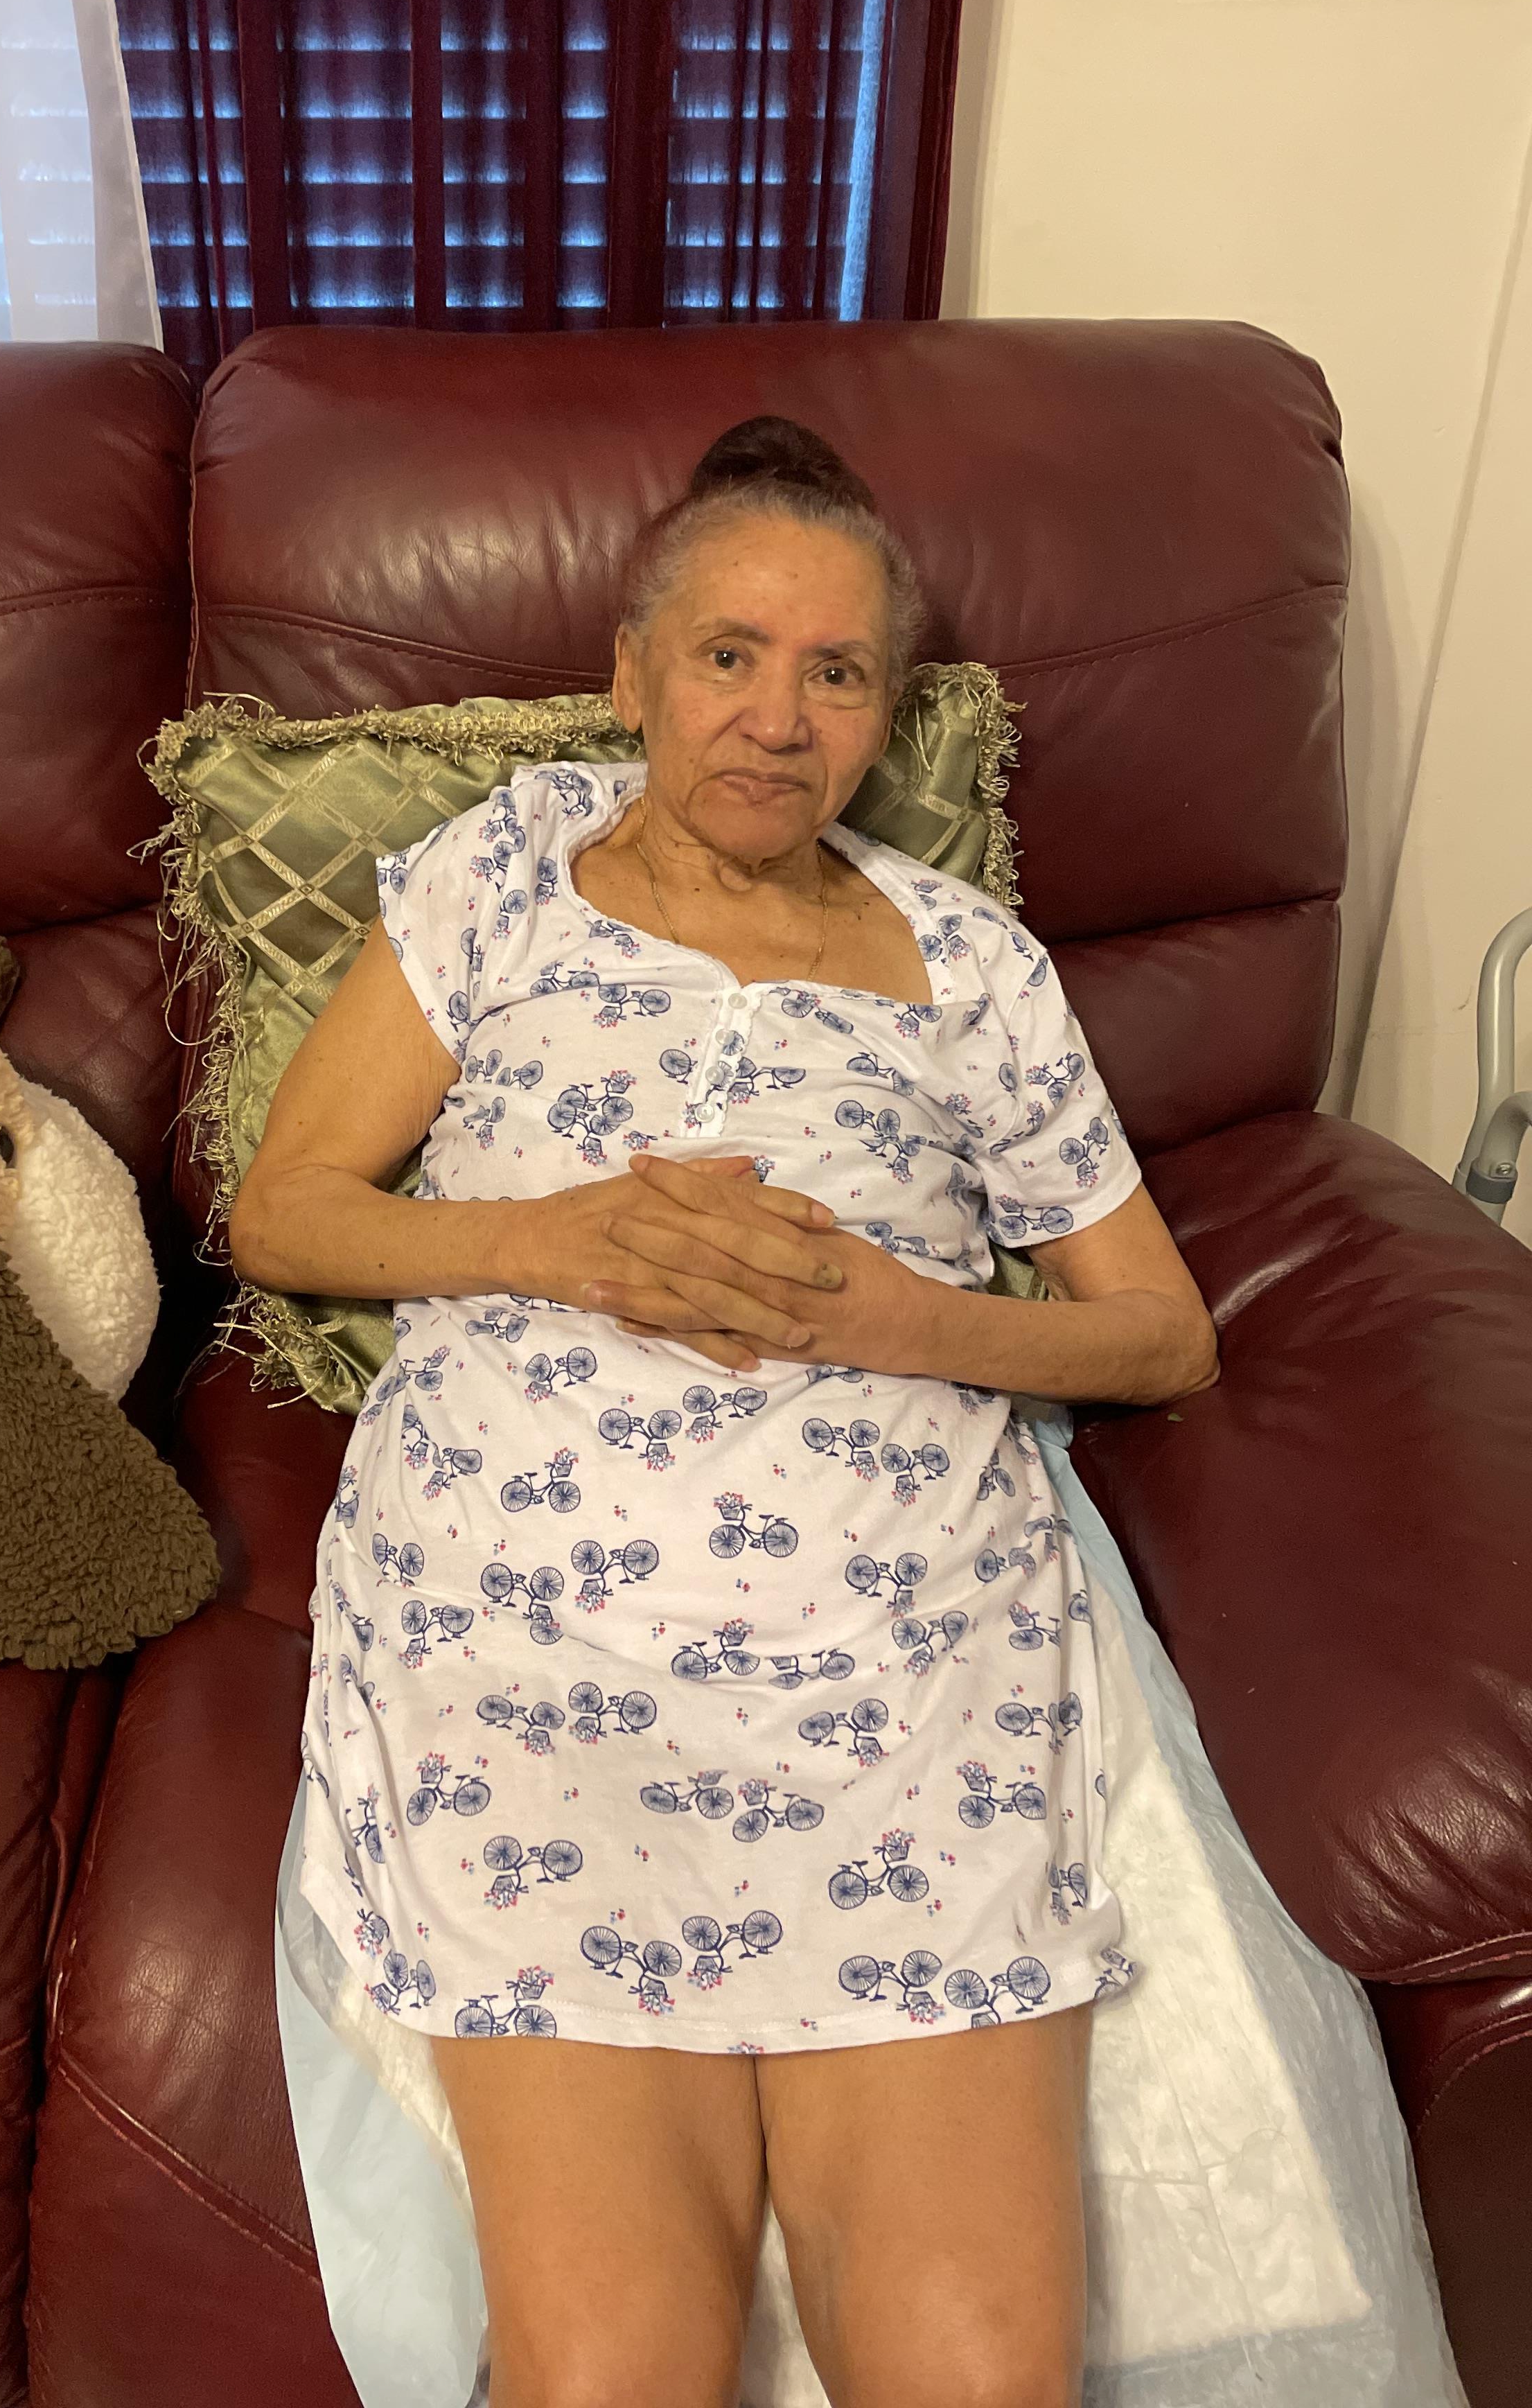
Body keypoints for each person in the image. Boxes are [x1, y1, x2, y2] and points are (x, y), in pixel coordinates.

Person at [230, 417, 1220, 2408]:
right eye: (730, 655)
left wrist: (893, 1311)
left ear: (881, 721)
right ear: (630, 675)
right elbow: (288, 1214)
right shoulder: (507, 873)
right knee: (617, 2378)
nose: (777, 719)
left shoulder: (972, 968)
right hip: (539, 1643)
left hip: (895, 1672)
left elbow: (1161, 1340)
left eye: (836, 674)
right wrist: (564, 1238)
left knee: (979, 2381)